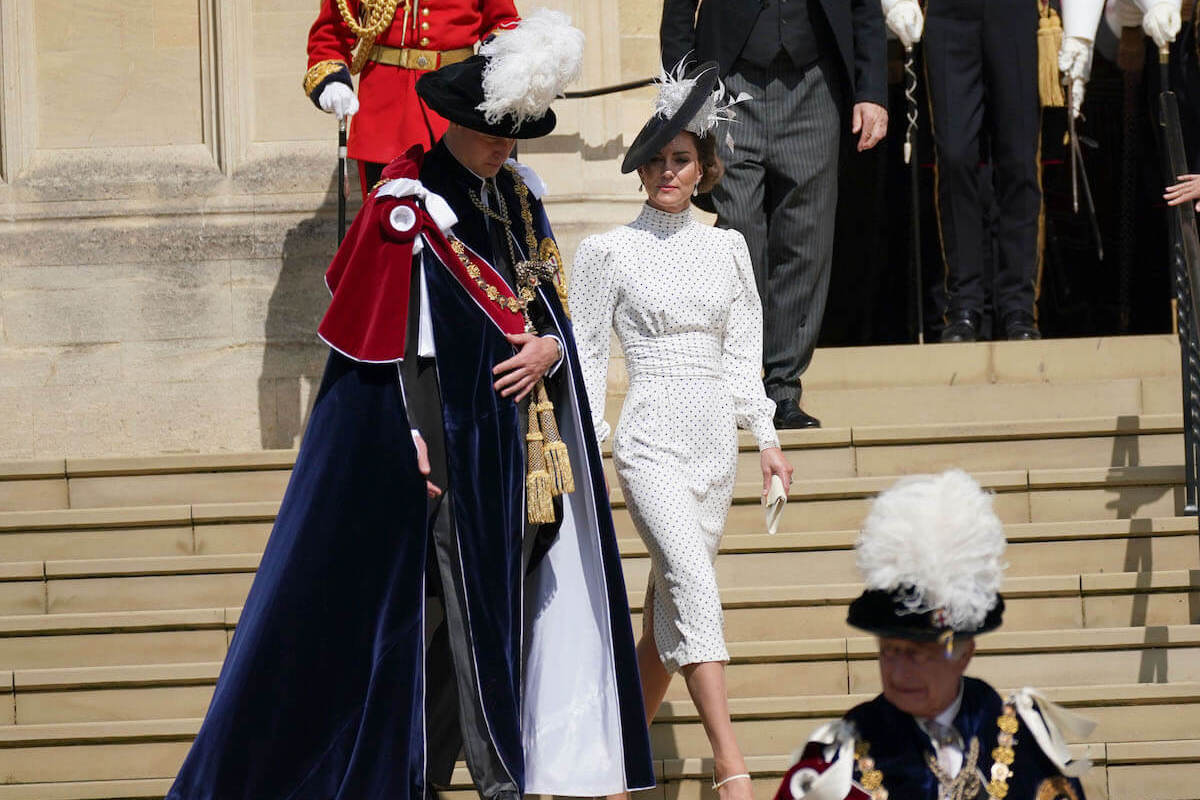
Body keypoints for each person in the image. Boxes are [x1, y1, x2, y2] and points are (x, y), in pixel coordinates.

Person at [168, 12, 655, 800]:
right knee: (459, 613)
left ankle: (430, 773)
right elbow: (382, 342)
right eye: (493, 130)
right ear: (457, 121)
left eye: (515, 131)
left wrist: (553, 349)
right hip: (444, 432)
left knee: (477, 616)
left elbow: (552, 301)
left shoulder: (519, 196)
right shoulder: (409, 201)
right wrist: (408, 438)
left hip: (523, 446)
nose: (504, 144)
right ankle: (498, 780)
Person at [570, 62, 795, 800]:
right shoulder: (607, 251)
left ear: (703, 167)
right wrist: (593, 441)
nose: (668, 172)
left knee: (668, 610)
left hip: (713, 447)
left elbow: (743, 354)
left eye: (682, 159)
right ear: (638, 169)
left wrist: (765, 437)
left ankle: (615, 771)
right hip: (649, 436)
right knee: (696, 590)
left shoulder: (728, 246)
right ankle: (734, 771)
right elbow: (587, 355)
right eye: (657, 160)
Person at [773, 470, 1093, 800]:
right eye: (888, 651)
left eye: (915, 654)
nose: (897, 672)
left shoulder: (1023, 741)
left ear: (964, 653)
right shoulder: (838, 760)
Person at [659, 0, 888, 429]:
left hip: (814, 82)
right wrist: (681, 92)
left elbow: (864, 9)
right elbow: (678, 11)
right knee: (740, 234)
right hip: (729, 83)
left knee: (807, 239)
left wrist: (871, 91)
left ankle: (784, 387)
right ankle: (741, 382)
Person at [304, 0, 519, 196]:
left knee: (467, 220)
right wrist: (332, 79)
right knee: (388, 224)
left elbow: (503, 21)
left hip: (456, 106)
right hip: (385, 114)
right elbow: (331, 32)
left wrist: (503, 58)